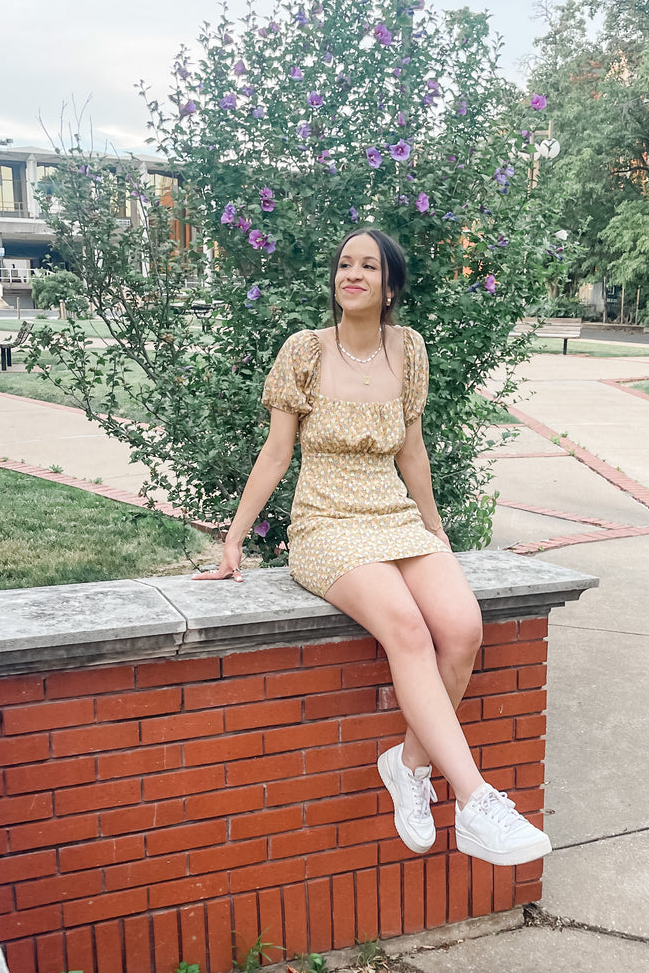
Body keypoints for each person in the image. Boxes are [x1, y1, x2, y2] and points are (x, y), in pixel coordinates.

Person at [195, 228, 550, 867]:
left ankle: (408, 766)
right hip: (326, 523)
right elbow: (276, 452)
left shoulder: (408, 350)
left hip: (395, 517)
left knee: (463, 629)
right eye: (344, 264)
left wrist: (434, 528)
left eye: (368, 266)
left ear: (390, 287)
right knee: (408, 630)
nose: (352, 274)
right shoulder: (304, 351)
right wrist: (234, 540)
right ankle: (476, 800)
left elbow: (412, 452)